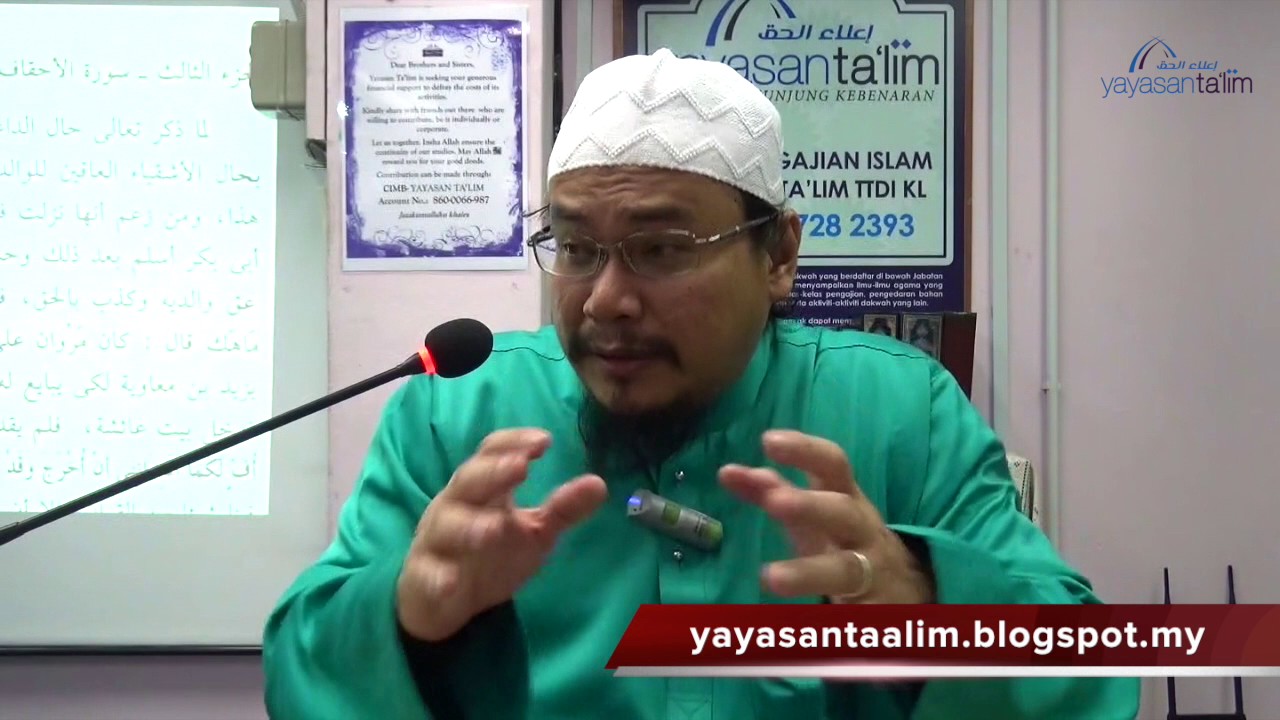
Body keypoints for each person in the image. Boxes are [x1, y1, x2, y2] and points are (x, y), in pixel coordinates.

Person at [262, 49, 1139, 719]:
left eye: (662, 249)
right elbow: (303, 670)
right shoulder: (458, 416)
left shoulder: (903, 415)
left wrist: (924, 601)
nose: (605, 299)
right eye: (577, 248)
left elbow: (1090, 681)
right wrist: (406, 616)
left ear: (779, 255)